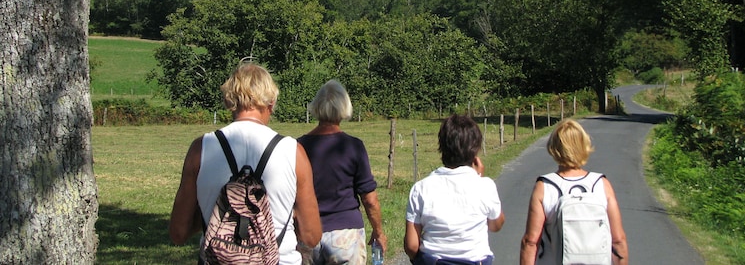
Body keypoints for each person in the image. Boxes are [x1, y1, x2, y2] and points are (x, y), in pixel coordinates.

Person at [169, 61, 322, 265]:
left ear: (229, 100)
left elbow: (178, 232)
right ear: (271, 103)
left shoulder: (201, 149)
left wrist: (214, 210)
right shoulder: (293, 152)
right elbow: (311, 236)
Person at [297, 79, 386, 265]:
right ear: (344, 107)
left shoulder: (298, 147)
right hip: (346, 234)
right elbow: (369, 199)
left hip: (307, 233)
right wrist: (378, 231)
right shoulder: (353, 146)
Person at [519, 119, 628, 265]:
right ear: (584, 145)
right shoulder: (601, 184)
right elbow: (618, 240)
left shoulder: (545, 186)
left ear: (554, 148)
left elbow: (531, 242)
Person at [404, 114, 505, 265]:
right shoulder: (485, 186)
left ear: (442, 147)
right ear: (475, 151)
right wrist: (478, 177)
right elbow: (495, 225)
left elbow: (411, 246)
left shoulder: (421, 188)